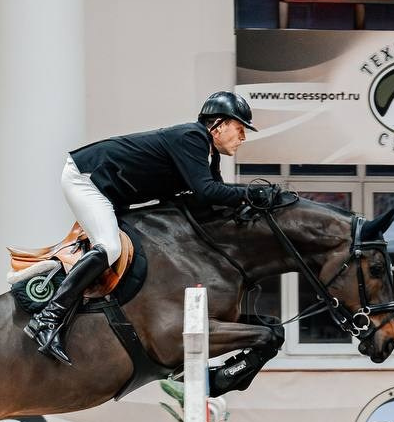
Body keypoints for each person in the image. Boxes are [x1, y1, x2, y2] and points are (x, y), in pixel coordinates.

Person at [26, 91, 267, 364]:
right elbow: (207, 192)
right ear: (219, 124)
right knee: (110, 247)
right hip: (89, 179)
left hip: (114, 192)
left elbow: (209, 203)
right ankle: (46, 319)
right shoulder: (193, 137)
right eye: (240, 129)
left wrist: (248, 208)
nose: (244, 137)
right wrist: (251, 194)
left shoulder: (209, 155)